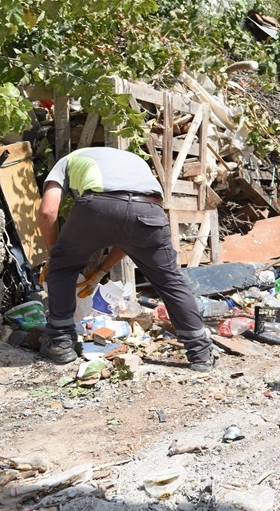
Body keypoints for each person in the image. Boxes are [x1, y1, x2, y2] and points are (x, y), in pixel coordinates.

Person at [37, 147, 215, 371]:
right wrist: (100, 271)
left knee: (63, 269)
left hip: (97, 206)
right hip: (149, 210)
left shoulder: (67, 160)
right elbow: (127, 235)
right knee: (170, 281)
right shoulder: (136, 162)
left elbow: (47, 211)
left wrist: (57, 258)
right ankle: (200, 354)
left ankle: (61, 343)